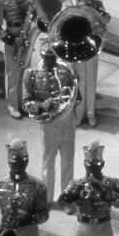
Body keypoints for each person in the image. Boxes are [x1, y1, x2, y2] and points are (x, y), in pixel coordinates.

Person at [22, 39, 78, 203]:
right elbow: (26, 102)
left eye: (53, 58)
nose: (51, 62)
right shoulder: (31, 74)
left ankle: (67, 199)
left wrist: (67, 107)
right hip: (48, 124)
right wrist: (41, 105)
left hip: (67, 122)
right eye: (47, 58)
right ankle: (47, 199)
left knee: (68, 161)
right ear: (41, 56)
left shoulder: (66, 71)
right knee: (48, 162)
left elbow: (76, 96)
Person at [67, 0, 110, 127]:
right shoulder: (68, 4)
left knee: (91, 81)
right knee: (76, 81)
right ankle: (77, 114)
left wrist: (92, 8)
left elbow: (106, 20)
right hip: (74, 48)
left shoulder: (96, 4)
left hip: (91, 47)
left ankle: (90, 113)